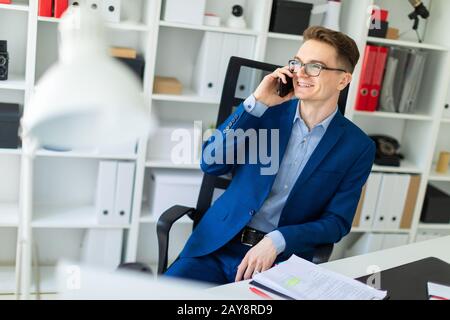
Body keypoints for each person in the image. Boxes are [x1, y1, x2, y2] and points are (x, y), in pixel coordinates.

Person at [164, 26, 376, 285]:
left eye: (314, 67)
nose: (300, 73)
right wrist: (256, 102)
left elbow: (337, 223)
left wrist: (278, 241)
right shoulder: (264, 114)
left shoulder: (357, 146)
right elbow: (211, 162)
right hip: (216, 247)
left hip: (281, 262)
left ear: (343, 80)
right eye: (297, 63)